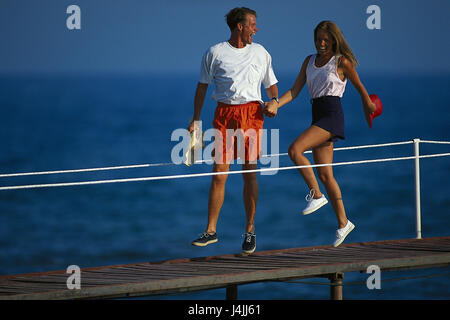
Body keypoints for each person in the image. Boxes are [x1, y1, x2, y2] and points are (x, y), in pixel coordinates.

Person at [264, 20, 376, 247]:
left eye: (326, 39)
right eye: (318, 39)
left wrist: (370, 107)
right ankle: (344, 223)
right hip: (318, 115)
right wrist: (276, 103)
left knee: (295, 150)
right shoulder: (309, 61)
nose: (321, 43)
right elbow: (295, 91)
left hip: (332, 116)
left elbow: (362, 90)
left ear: (334, 40)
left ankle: (316, 195)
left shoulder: (341, 61)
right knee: (326, 175)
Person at [188, 7, 279, 254]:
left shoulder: (260, 52)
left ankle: (250, 232)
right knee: (218, 174)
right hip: (224, 114)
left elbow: (271, 86)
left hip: (252, 114)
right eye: (252, 24)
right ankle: (211, 231)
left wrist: (274, 102)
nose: (256, 29)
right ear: (239, 26)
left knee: (249, 174)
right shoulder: (215, 52)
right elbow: (202, 88)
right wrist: (196, 120)